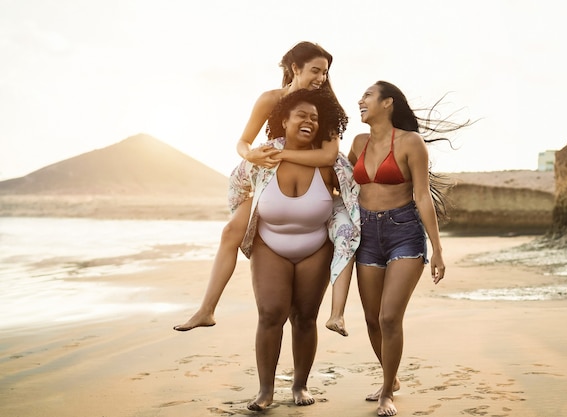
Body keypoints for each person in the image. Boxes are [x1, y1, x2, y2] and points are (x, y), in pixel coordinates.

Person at [173, 41, 354, 336]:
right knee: (231, 231)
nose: (321, 79)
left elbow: (327, 156)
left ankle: (336, 313)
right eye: (315, 71)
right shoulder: (269, 100)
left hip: (315, 184)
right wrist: (251, 155)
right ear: (295, 68)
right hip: (272, 181)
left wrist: (280, 154)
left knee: (343, 238)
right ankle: (206, 310)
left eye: (325, 73)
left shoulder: (327, 107)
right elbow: (243, 142)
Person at [229, 88, 359, 410]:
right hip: (270, 246)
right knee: (271, 314)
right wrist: (239, 223)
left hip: (314, 247)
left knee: (304, 318)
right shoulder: (264, 158)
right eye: (301, 115)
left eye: (315, 118)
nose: (309, 121)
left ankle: (300, 386)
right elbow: (237, 185)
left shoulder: (329, 163)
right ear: (284, 120)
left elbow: (353, 193)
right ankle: (265, 391)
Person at [348, 81, 469, 416]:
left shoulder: (410, 142)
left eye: (368, 95)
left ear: (388, 103)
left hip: (404, 232)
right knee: (372, 319)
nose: (361, 100)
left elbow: (421, 195)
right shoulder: (357, 143)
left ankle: (387, 392)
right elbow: (340, 187)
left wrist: (438, 250)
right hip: (366, 234)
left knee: (389, 317)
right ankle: (393, 378)